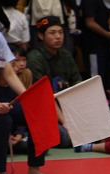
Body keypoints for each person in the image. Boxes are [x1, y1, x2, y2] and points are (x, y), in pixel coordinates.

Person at [0, 28, 59, 174]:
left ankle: (34, 170)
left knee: (36, 112)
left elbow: (8, 73)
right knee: (2, 119)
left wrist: (27, 98)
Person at [27, 15, 81, 148]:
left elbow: (77, 83)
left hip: (68, 108)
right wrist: (65, 122)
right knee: (65, 138)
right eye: (52, 33)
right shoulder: (34, 58)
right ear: (41, 36)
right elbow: (44, 96)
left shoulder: (66, 55)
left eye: (60, 32)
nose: (58, 37)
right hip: (46, 112)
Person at [80, 0, 110, 91]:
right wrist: (107, 34)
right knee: (96, 78)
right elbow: (89, 22)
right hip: (93, 45)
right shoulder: (89, 2)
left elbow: (102, 18)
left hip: (104, 44)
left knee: (108, 75)